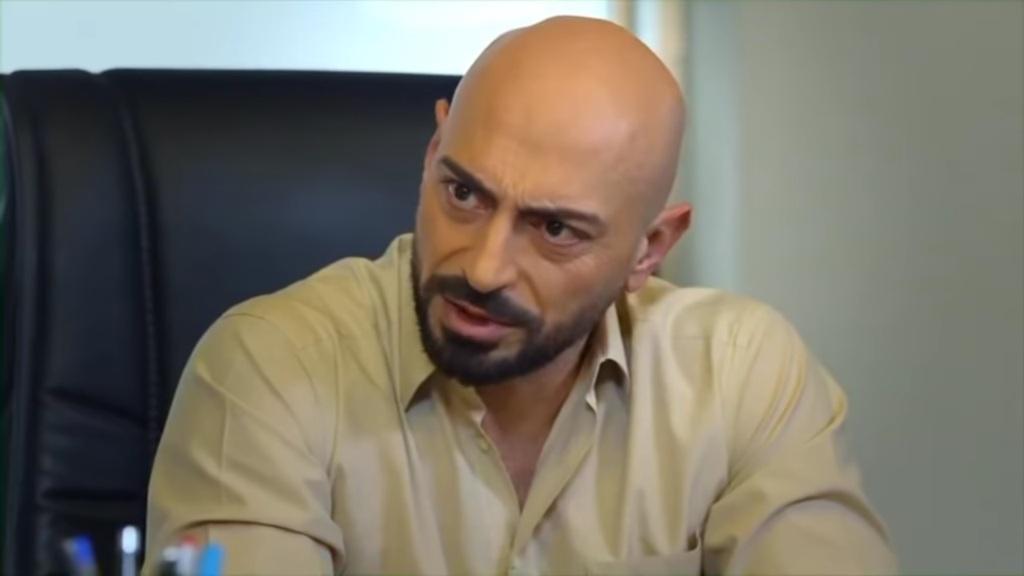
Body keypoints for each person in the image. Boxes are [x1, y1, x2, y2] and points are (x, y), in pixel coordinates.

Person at [145, 16, 897, 575]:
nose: (483, 268)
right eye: (464, 194)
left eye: (555, 229)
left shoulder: (741, 374)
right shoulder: (269, 369)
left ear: (649, 250)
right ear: (433, 152)